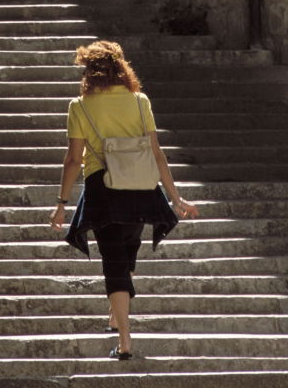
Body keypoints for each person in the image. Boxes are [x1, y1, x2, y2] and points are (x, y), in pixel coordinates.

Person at [50, 39, 199, 360]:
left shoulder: (80, 106)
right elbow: (157, 154)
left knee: (114, 263)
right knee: (127, 255)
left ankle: (125, 340)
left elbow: (74, 159)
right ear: (121, 67)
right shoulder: (139, 100)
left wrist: (62, 202)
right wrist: (175, 198)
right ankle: (114, 317)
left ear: (88, 72)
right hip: (141, 188)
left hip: (103, 190)